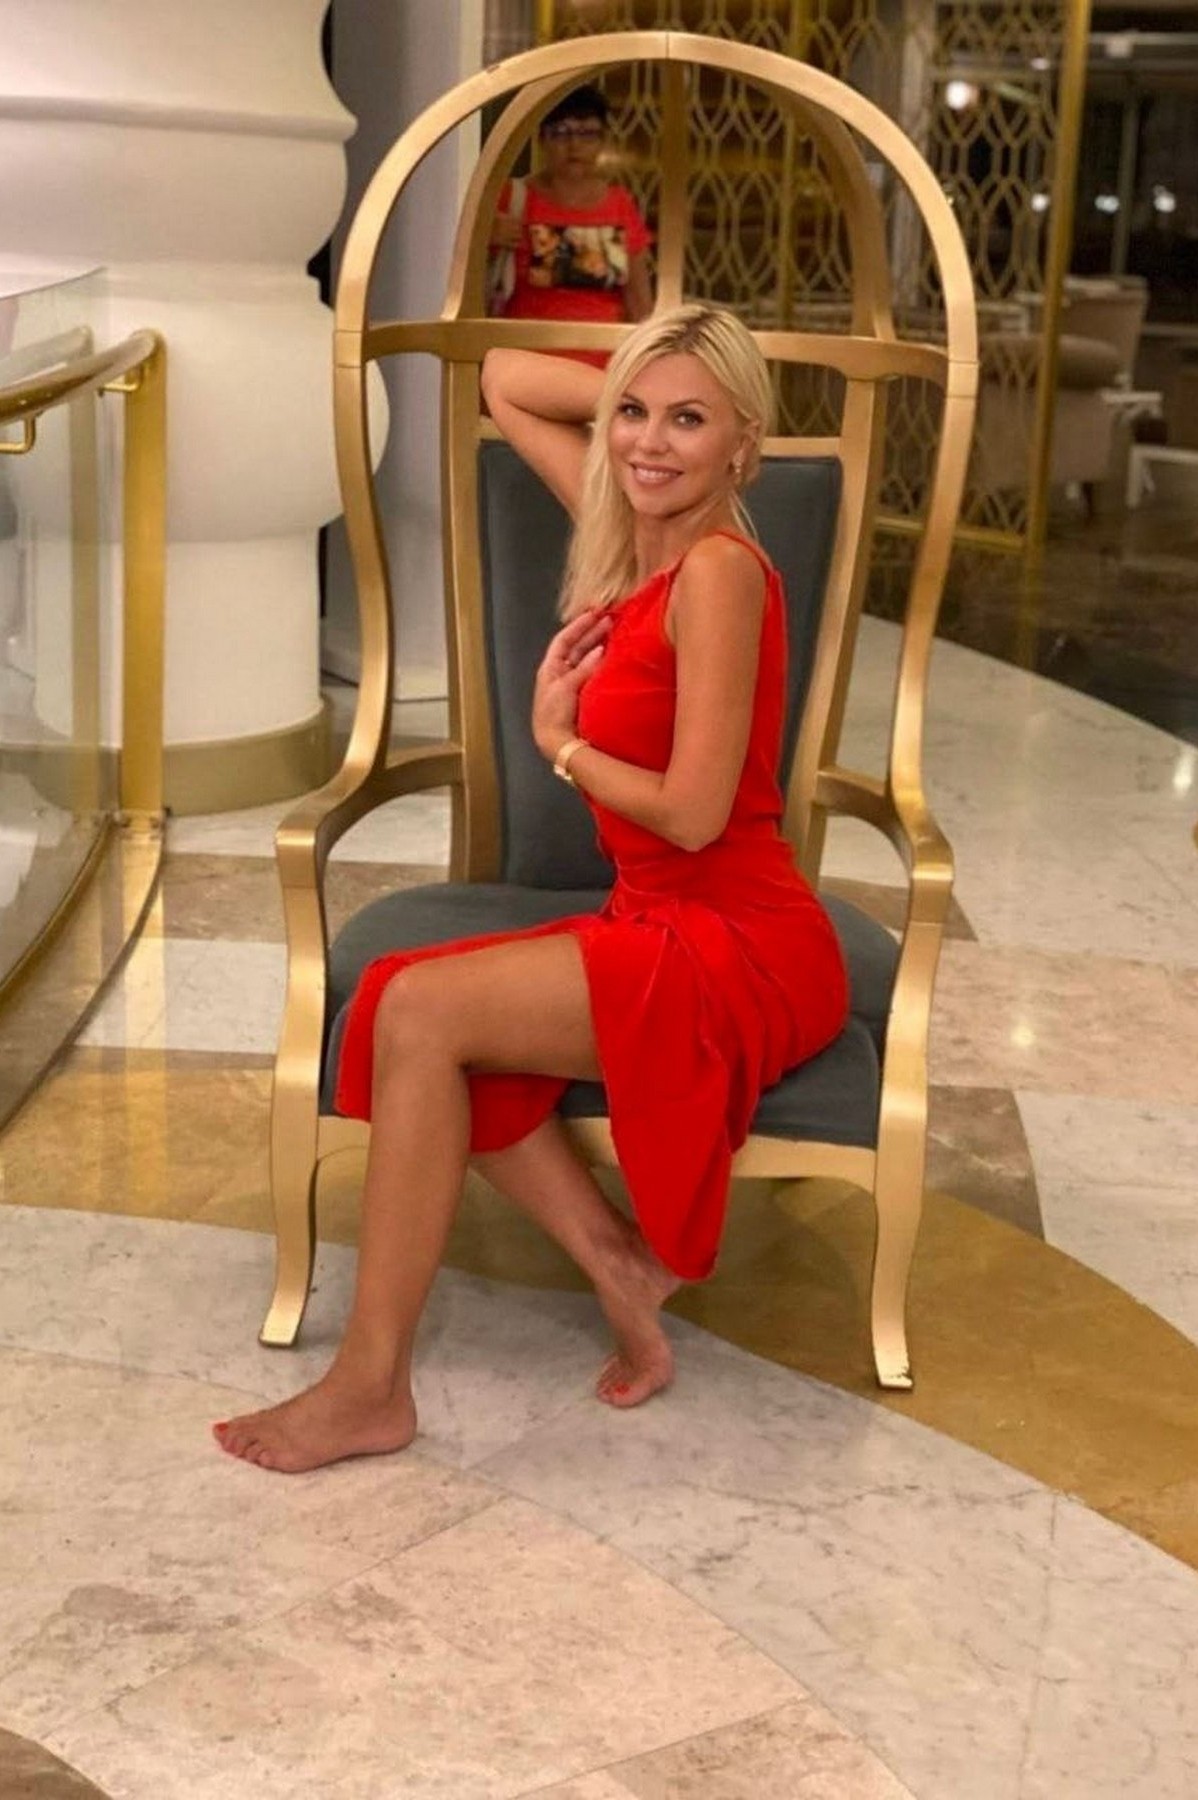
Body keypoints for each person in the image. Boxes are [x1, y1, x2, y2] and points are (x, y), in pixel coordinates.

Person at [214, 304, 849, 1474]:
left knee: (417, 1012)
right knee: (410, 1007)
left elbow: (694, 814)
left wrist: (562, 745)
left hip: (739, 940)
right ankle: (616, 1263)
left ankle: (370, 1386)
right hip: (657, 917)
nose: (647, 441)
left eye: (691, 422)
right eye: (634, 415)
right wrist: (656, 387)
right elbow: (506, 380)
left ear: (744, 445)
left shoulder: (718, 572)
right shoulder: (640, 542)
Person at [487, 84, 653, 362]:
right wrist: (485, 239)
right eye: (561, 133)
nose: (574, 146)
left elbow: (639, 300)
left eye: (587, 134)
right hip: (527, 360)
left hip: (605, 364)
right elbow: (468, 276)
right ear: (542, 139)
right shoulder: (513, 199)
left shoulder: (620, 205)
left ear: (602, 141)